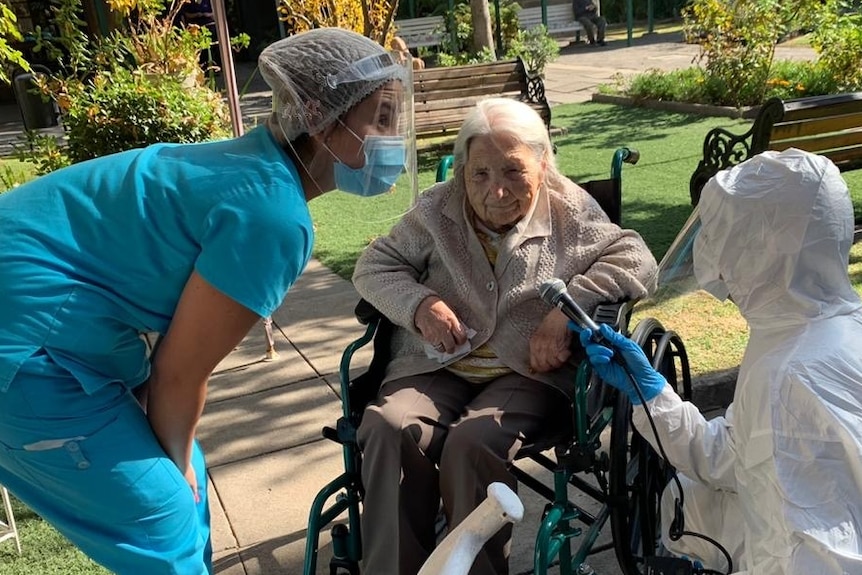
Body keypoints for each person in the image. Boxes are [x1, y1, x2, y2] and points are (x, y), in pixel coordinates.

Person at [0, 27, 411, 575]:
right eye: (380, 118)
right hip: (25, 340)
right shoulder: (273, 216)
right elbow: (177, 373)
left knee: (184, 469)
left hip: (56, 319)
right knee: (163, 517)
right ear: (318, 115)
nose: (393, 136)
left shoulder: (255, 164)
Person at [352, 97, 658, 575]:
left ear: (541, 164)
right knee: (389, 428)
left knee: (473, 444)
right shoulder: (436, 209)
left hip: (527, 371)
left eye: (513, 171)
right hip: (437, 361)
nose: (495, 191)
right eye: (480, 174)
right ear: (463, 171)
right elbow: (374, 266)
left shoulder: (568, 208)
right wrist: (420, 305)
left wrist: (565, 313)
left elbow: (636, 258)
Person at [578, 148, 862, 574]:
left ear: (761, 252)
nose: (717, 264)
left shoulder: (787, 375)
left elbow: (799, 557)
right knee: (690, 496)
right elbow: (735, 455)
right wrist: (653, 396)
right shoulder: (819, 327)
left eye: (725, 241)